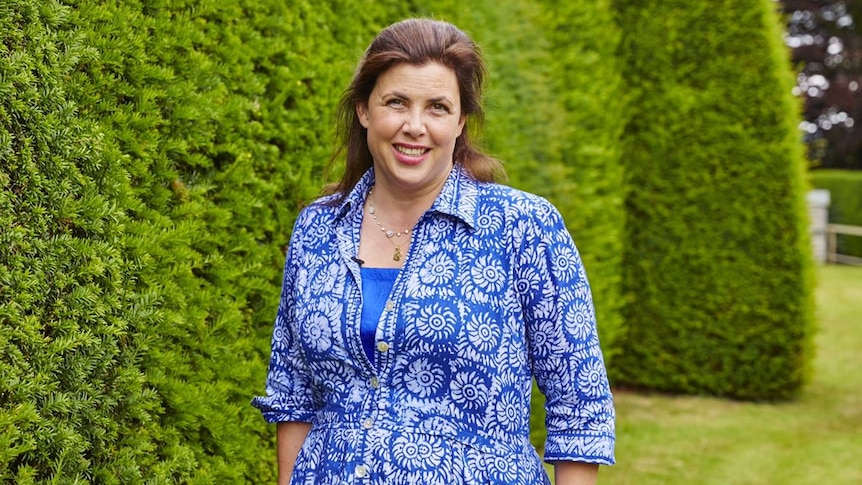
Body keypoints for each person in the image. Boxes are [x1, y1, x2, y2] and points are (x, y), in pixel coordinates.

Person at [252, 18, 615, 485]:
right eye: (396, 102)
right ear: (364, 109)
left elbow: (578, 404)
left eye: (438, 107)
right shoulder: (318, 228)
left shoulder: (523, 227)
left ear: (461, 121)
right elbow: (293, 394)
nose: (415, 126)